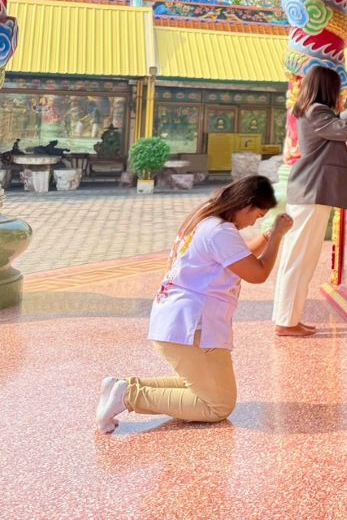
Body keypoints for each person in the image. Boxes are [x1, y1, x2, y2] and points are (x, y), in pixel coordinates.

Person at [95, 175, 292, 433]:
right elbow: (258, 273)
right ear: (246, 205)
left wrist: (267, 235)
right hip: (194, 326)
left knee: (204, 389)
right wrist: (277, 236)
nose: (254, 222)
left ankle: (121, 386)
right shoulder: (220, 231)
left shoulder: (206, 218)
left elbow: (239, 257)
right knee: (217, 405)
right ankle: (129, 396)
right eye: (257, 215)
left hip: (177, 319)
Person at [273, 65, 347, 337]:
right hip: (311, 192)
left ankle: (288, 318)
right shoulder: (317, 111)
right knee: (300, 259)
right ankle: (286, 322)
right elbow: (345, 130)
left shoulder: (312, 110)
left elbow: (336, 121)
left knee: (298, 258)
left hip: (309, 192)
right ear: (328, 88)